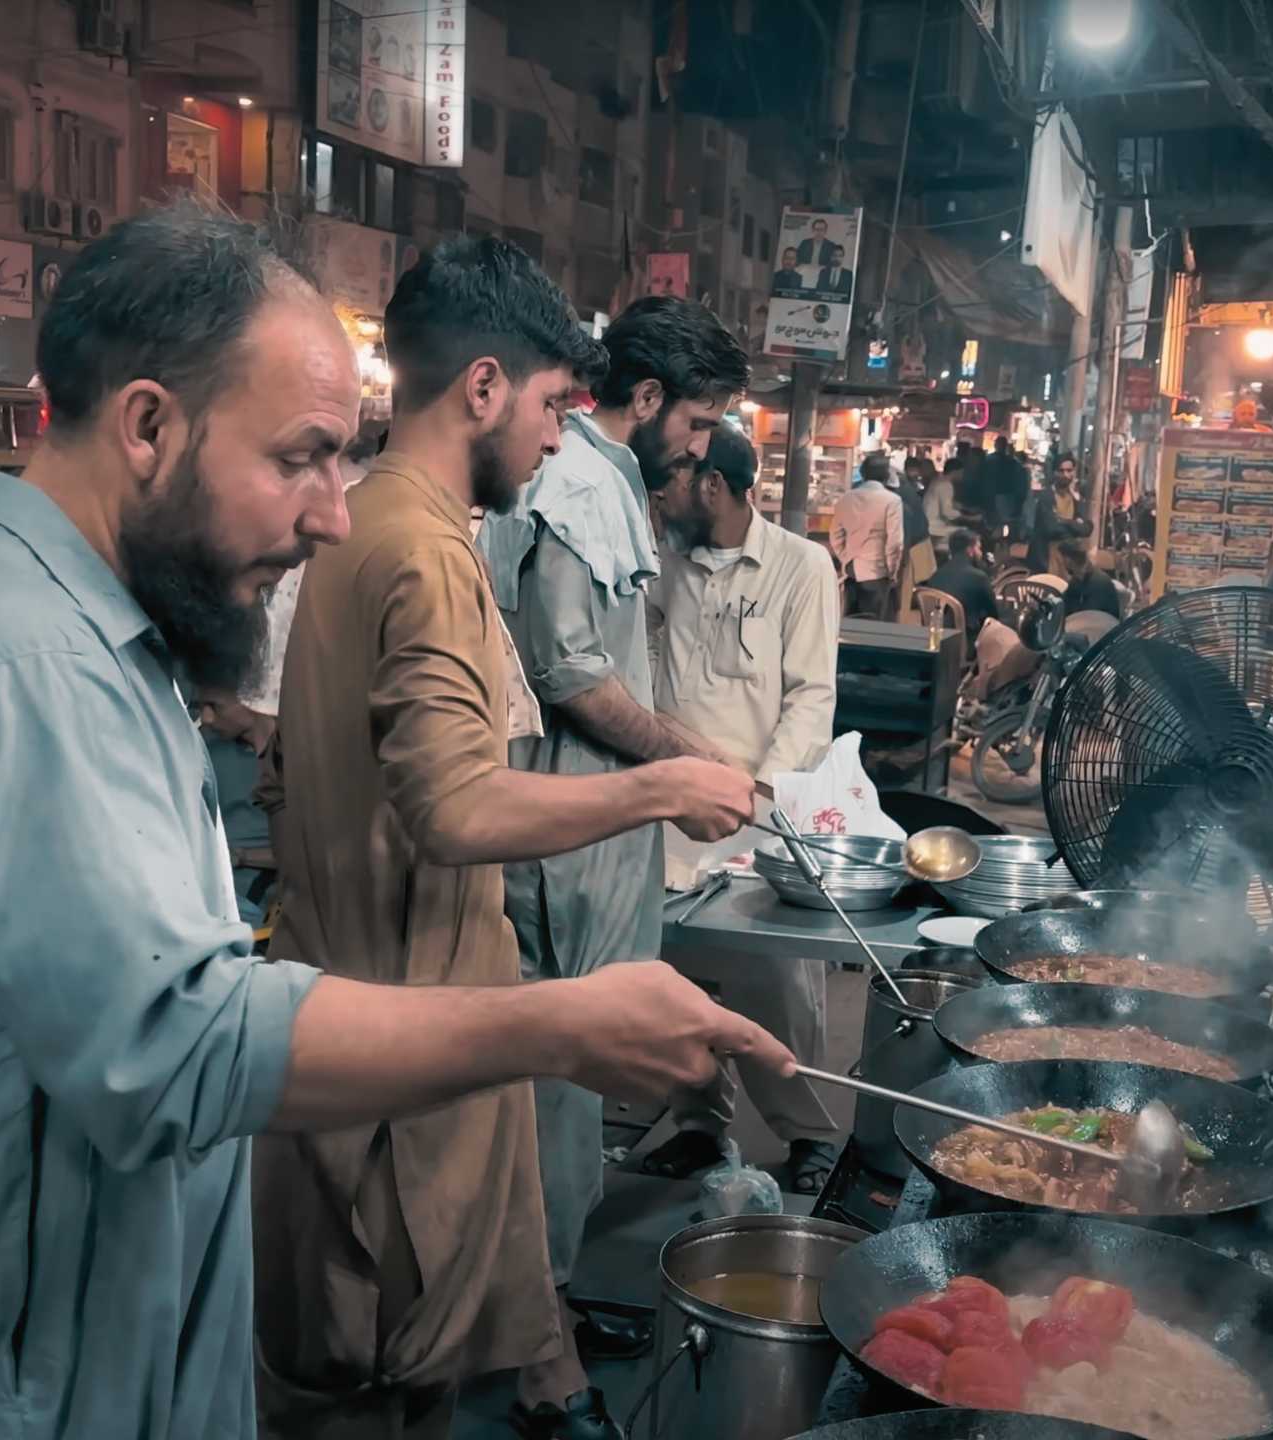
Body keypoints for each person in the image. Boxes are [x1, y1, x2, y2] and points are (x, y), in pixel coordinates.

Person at [0, 202, 791, 1440]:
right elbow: (173, 1047)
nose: (331, 511)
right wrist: (562, 1023)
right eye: (299, 456)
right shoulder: (21, 664)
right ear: (146, 425)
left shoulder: (47, 628)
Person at [251, 236, 763, 1440]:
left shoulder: (362, 522)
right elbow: (457, 805)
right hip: (404, 1046)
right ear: (481, 388)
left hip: (360, 1006)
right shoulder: (427, 551)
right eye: (545, 406)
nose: (552, 437)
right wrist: (663, 783)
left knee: (421, 1352)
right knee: (393, 1383)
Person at [476, 293, 754, 1440]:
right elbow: (569, 676)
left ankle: (544, 1322)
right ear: (644, 401)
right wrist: (689, 760)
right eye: (697, 423)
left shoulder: (600, 481)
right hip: (569, 845)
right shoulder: (584, 482)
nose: (702, 449)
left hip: (592, 831)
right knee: (552, 1101)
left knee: (564, 1100)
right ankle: (543, 1372)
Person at [642, 426, 844, 1189]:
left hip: (760, 814)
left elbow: (809, 698)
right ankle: (700, 1127)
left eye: (678, 482)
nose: (665, 496)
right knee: (679, 982)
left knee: (778, 989)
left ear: (717, 488)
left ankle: (810, 1136)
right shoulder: (665, 564)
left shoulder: (801, 567)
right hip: (671, 810)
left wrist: (758, 795)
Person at [829, 449, 904, 617]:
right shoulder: (892, 501)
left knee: (850, 623)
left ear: (862, 474)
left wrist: (846, 557)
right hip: (877, 572)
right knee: (874, 626)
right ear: (885, 476)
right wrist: (892, 572)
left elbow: (835, 535)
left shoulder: (846, 498)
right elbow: (895, 542)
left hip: (851, 571)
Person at [1025, 453, 1087, 573]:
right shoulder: (1046, 496)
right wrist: (1075, 526)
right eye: (1061, 470)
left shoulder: (1075, 498)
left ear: (1074, 472)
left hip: (1067, 561)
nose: (1065, 475)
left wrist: (1064, 521)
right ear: (1055, 473)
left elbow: (1086, 528)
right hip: (1046, 561)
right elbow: (1051, 528)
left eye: (1069, 470)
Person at [894, 453, 938, 621]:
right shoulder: (907, 489)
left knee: (906, 590)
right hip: (918, 543)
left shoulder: (901, 493)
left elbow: (907, 529)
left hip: (912, 547)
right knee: (909, 591)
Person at [1057, 539, 1123, 620]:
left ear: (1068, 560)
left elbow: (1090, 616)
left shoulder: (1099, 583)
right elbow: (1065, 607)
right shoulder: (1076, 581)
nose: (1060, 562)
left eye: (1062, 558)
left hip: (1101, 628)